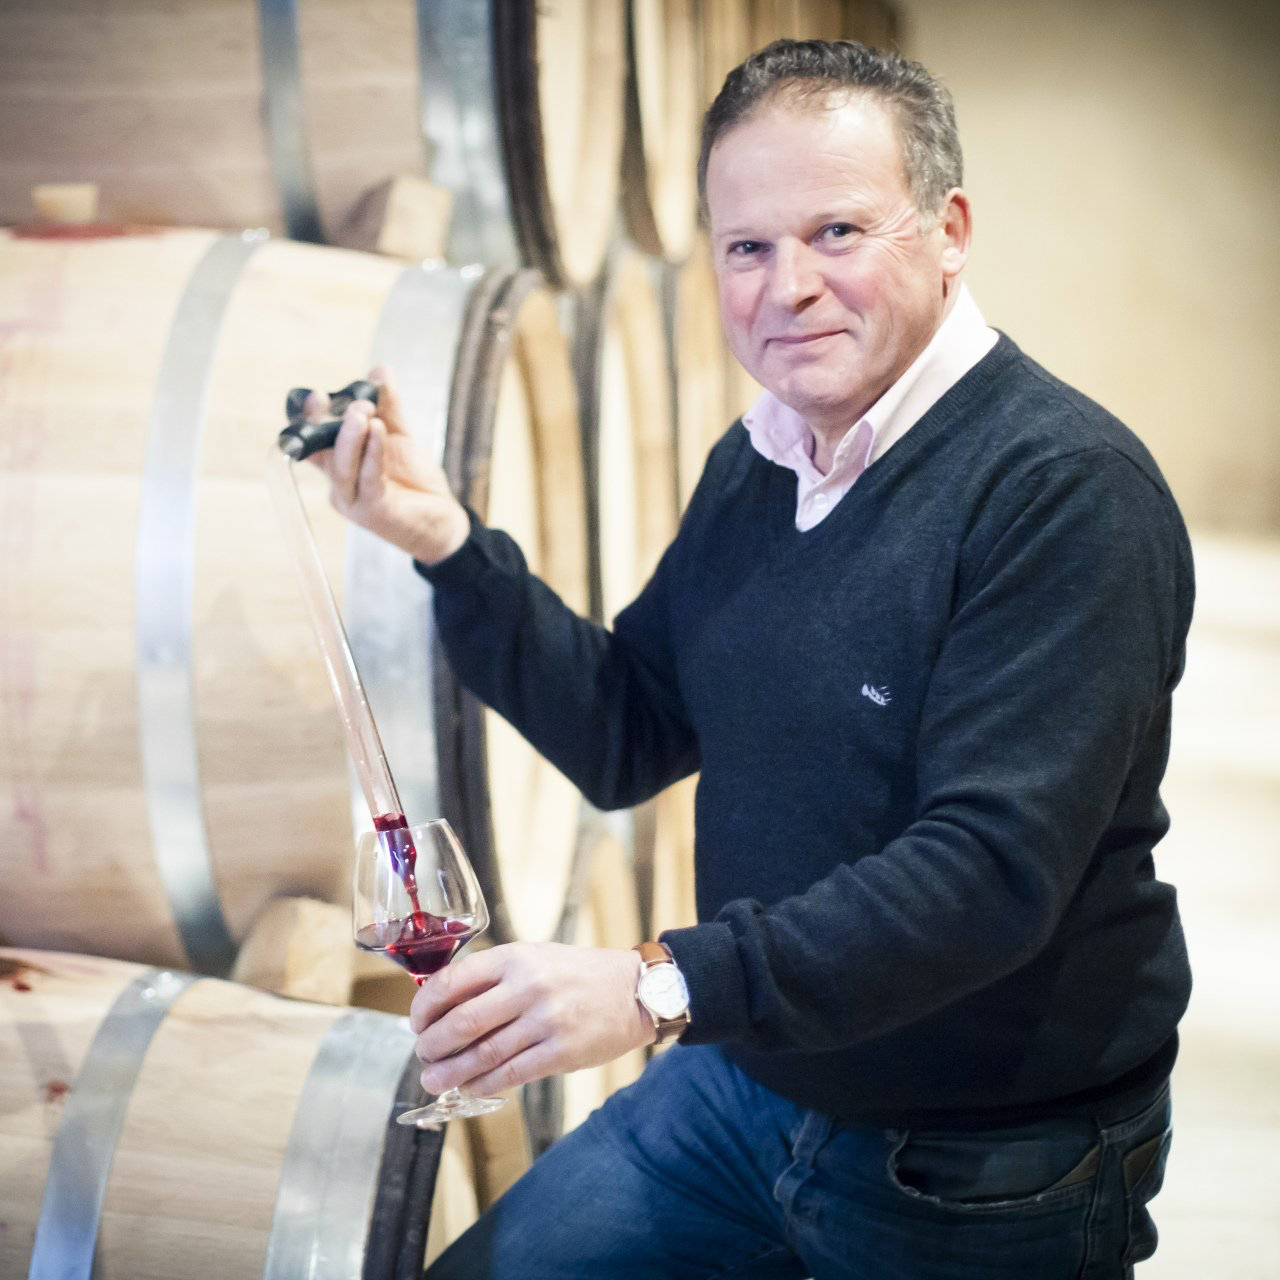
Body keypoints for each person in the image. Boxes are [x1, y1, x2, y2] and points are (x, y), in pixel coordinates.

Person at [309, 38, 1192, 1280]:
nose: (790, 286)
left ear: (946, 231)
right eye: (746, 247)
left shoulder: (1061, 493)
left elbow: (986, 873)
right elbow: (628, 726)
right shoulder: (764, 459)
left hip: (978, 1148)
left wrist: (655, 988)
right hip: (749, 1080)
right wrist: (446, 543)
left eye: (837, 231)